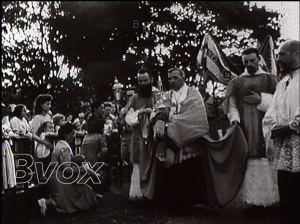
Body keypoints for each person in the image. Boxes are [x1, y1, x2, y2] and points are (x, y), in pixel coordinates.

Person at [222, 47, 279, 207]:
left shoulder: (271, 79)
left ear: (259, 59)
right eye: (245, 62)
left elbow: (280, 101)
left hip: (266, 126)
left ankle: (269, 201)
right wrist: (234, 119)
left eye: (252, 60)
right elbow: (232, 104)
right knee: (249, 162)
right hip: (246, 127)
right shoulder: (237, 82)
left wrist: (261, 100)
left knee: (266, 159)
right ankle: (252, 202)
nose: (249, 64)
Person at [148, 67, 209, 212]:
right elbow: (156, 111)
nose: (172, 81)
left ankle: (188, 203)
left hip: (188, 139)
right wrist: (158, 119)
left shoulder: (193, 94)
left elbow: (196, 116)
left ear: (183, 77)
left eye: (175, 78)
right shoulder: (165, 95)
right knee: (170, 173)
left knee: (187, 172)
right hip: (168, 137)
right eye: (169, 78)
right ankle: (170, 202)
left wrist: (173, 122)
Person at [262, 40, 300, 224]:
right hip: (284, 146)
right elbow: (273, 110)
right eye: (277, 55)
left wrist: (291, 126)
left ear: (297, 54)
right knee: (287, 194)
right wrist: (275, 127)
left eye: (283, 54)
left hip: (297, 141)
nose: (278, 59)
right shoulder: (283, 83)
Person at [37, 122, 101, 216]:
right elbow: (67, 169)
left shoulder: (59, 144)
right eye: (72, 134)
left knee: (84, 189)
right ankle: (46, 203)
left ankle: (92, 196)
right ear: (66, 134)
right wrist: (83, 170)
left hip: (56, 176)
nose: (74, 136)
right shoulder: (64, 147)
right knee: (81, 192)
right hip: (60, 178)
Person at [125, 68, 159, 201]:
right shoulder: (134, 98)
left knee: (154, 162)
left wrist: (152, 113)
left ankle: (154, 194)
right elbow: (128, 117)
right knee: (138, 163)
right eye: (140, 81)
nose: (143, 83)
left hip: (153, 135)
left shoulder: (158, 95)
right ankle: (138, 194)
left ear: (151, 80)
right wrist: (139, 113)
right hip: (138, 135)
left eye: (145, 80)